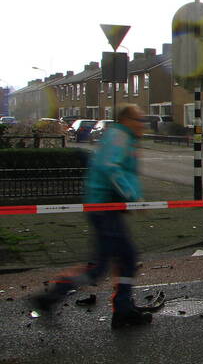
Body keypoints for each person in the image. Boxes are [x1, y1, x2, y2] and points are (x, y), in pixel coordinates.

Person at [31, 104, 153, 328]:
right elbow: (111, 168)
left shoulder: (124, 137)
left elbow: (122, 170)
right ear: (126, 120)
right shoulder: (119, 137)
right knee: (100, 268)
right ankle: (48, 298)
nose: (142, 125)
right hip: (104, 208)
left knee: (126, 258)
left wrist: (130, 197)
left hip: (109, 207)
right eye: (139, 120)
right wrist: (131, 196)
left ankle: (123, 308)